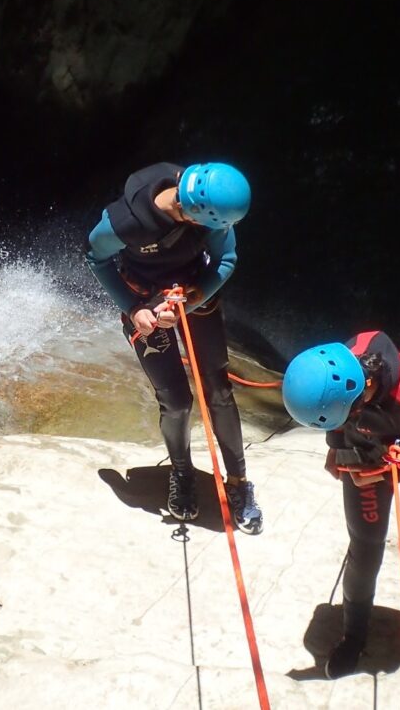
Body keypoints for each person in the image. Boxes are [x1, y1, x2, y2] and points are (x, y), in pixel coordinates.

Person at [85, 161, 263, 534]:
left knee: (218, 390)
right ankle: (182, 475)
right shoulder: (126, 222)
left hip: (195, 293)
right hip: (145, 303)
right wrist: (134, 309)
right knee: (176, 401)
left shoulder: (212, 209)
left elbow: (226, 259)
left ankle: (238, 481)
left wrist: (195, 298)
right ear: (190, 210)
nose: (220, 231)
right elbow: (95, 257)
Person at [282, 330, 400, 678]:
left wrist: (396, 469)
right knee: (364, 548)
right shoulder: (337, 377)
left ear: (363, 387)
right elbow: (337, 423)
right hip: (367, 452)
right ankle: (352, 638)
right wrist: (337, 451)